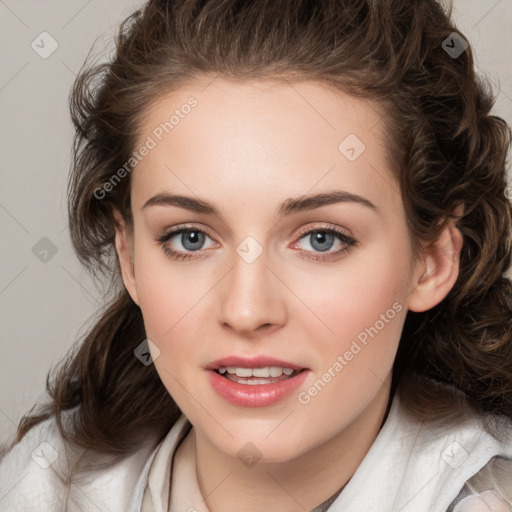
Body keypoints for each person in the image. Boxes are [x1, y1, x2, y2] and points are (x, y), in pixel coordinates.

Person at [1, 0, 511, 511]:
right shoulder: (39, 486)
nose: (246, 311)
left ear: (433, 260)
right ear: (129, 255)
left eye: (321, 239)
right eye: (190, 238)